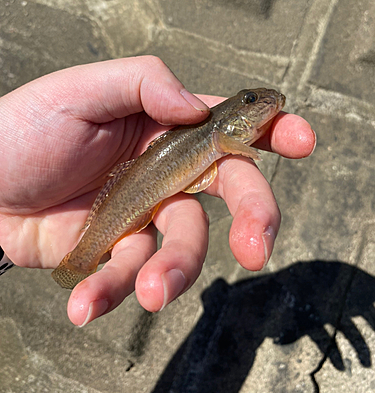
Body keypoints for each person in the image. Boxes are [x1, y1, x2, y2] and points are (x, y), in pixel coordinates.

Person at [0, 56, 315, 327]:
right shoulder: (219, 130)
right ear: (231, 114)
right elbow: (231, 142)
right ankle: (81, 259)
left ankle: (83, 258)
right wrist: (249, 151)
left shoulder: (219, 132)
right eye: (250, 100)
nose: (261, 102)